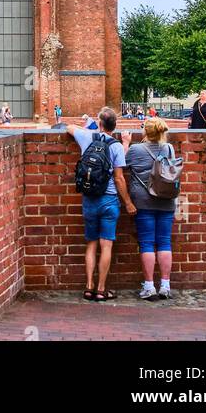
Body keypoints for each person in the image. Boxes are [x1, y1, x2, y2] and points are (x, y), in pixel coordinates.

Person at [67, 106, 135, 302]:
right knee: (106, 245)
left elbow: (68, 127)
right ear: (115, 126)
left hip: (90, 198)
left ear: (99, 123)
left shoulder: (86, 138)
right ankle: (101, 289)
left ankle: (88, 287)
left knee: (91, 243)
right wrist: (128, 203)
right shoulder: (115, 146)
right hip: (109, 199)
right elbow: (119, 178)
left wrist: (89, 129)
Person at [125, 117, 178, 301]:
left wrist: (125, 142)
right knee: (164, 242)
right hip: (166, 200)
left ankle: (149, 286)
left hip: (143, 201)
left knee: (147, 243)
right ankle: (165, 285)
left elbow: (123, 164)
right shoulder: (169, 148)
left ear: (145, 132)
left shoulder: (135, 149)